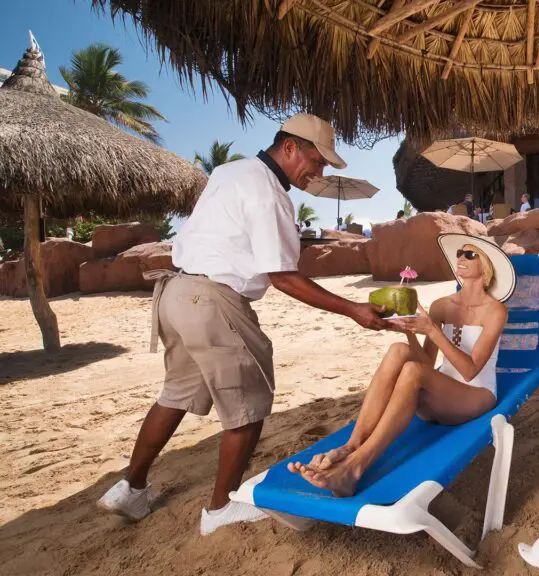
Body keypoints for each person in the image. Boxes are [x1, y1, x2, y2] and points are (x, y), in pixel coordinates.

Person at [97, 113, 392, 535]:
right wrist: (353, 309)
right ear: (289, 147)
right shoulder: (271, 193)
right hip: (213, 301)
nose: (318, 171)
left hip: (177, 293)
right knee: (250, 404)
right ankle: (219, 510)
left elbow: (230, 235)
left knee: (175, 395)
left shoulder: (229, 171)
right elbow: (283, 277)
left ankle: (131, 488)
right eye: (316, 160)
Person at [288, 234, 516, 497]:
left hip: (476, 395)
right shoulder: (442, 306)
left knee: (413, 371)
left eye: (470, 254)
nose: (461, 259)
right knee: (399, 351)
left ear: (486, 266)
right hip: (440, 398)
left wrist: (431, 330)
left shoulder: (496, 310)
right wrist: (408, 328)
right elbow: (428, 363)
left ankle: (355, 468)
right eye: (459, 254)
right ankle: (351, 446)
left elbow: (470, 370)